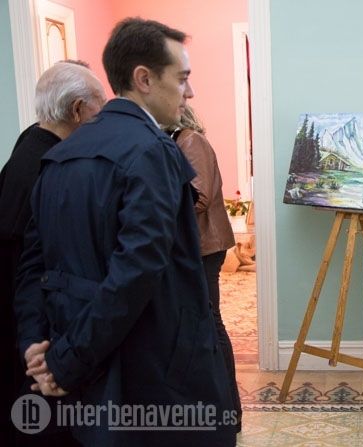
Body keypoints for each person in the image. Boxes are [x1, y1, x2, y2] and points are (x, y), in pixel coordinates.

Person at [14, 18, 237, 446]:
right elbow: (135, 273)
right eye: (182, 78)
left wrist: (34, 344)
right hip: (152, 377)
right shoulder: (153, 152)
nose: (189, 92)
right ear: (144, 79)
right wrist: (64, 361)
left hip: (87, 372)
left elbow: (33, 268)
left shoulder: (60, 154)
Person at [0, 60, 105, 447]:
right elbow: (32, 263)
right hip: (32, 336)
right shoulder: (50, 168)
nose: (102, 117)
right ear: (77, 110)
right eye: (99, 106)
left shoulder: (30, 143)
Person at [168, 105, 241, 430]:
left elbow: (199, 196)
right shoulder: (180, 141)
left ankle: (230, 412)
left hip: (205, 247)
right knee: (203, 322)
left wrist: (157, 208)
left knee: (212, 323)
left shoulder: (190, 140)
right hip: (195, 247)